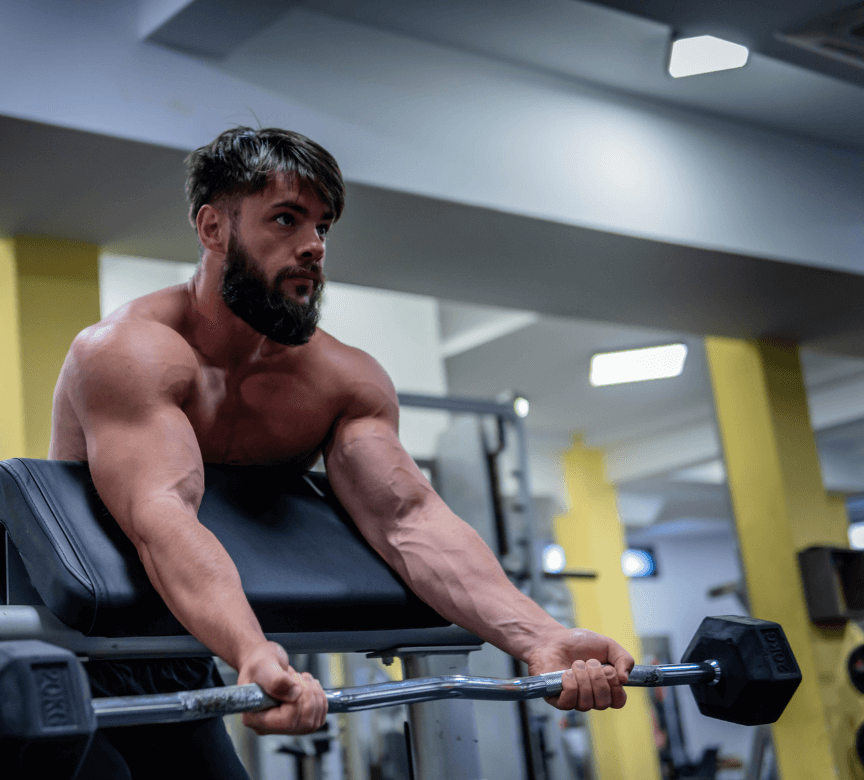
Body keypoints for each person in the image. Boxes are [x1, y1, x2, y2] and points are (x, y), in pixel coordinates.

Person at [49, 126, 634, 778]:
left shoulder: (341, 381)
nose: (313, 248)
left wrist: (541, 635)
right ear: (213, 229)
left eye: (322, 227)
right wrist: (253, 651)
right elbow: (161, 514)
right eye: (285, 220)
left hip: (176, 649)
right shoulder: (130, 352)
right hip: (61, 653)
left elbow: (408, 518)